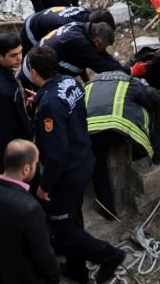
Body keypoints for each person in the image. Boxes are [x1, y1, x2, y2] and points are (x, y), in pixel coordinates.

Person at [28, 46, 126, 284]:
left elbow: (56, 154)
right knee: (71, 216)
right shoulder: (70, 83)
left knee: (61, 232)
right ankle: (77, 270)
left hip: (67, 172)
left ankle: (110, 256)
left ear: (33, 72)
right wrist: (39, 100)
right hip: (83, 159)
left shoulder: (49, 105)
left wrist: (45, 186)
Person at [0, 139, 60, 284]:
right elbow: (43, 255)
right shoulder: (30, 208)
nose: (36, 166)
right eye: (35, 163)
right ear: (26, 169)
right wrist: (54, 276)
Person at [85, 70, 160, 220]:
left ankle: (108, 211)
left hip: (91, 132)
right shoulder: (130, 82)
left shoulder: (90, 83)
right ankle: (158, 151)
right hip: (116, 131)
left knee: (98, 169)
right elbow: (152, 97)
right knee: (142, 111)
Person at [0, 33, 34, 176]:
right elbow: (5, 129)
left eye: (21, 52)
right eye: (13, 55)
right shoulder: (1, 91)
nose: (19, 58)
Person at [20, 5, 116, 56]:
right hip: (33, 30)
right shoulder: (69, 29)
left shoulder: (87, 15)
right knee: (39, 60)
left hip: (42, 17)